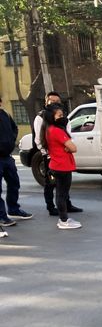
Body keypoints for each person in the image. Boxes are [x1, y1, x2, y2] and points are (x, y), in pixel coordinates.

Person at [33, 92, 82, 216]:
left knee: (64, 183)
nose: (55, 103)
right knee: (50, 182)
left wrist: (67, 147)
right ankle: (51, 207)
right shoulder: (41, 118)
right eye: (52, 101)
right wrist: (48, 153)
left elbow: (69, 135)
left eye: (57, 101)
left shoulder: (62, 117)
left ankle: (67, 205)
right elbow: (39, 139)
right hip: (50, 155)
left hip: (64, 154)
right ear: (46, 102)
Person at [41, 104, 81, 229]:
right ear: (52, 117)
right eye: (59, 115)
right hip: (62, 166)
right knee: (62, 194)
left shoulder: (48, 129)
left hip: (56, 165)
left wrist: (66, 148)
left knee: (60, 193)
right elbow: (73, 148)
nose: (62, 117)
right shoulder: (57, 131)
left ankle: (63, 219)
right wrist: (68, 148)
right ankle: (63, 220)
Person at [0, 95, 33, 230]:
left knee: (14, 183)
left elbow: (15, 128)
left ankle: (13, 209)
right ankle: (2, 216)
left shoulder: (5, 115)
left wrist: (11, 141)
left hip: (7, 157)